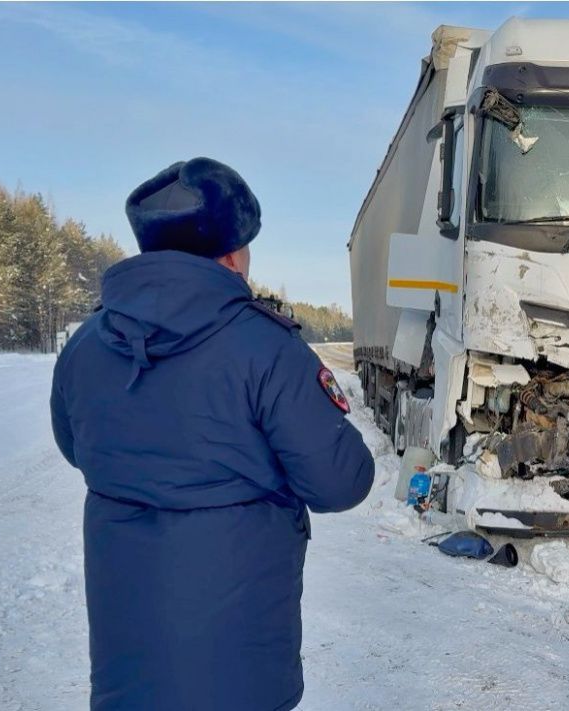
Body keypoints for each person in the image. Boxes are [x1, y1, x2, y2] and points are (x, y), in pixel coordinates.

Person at [50, 157, 374, 710]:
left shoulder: (89, 342)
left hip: (125, 648)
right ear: (230, 253)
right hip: (238, 657)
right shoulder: (264, 344)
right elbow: (339, 483)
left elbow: (75, 446)